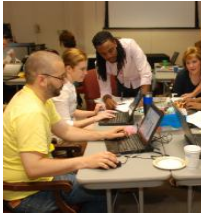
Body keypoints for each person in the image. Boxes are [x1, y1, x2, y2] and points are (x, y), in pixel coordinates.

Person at [3, 51, 128, 213]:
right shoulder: (31, 112)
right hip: (27, 193)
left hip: (36, 181)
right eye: (60, 78)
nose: (64, 82)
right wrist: (85, 161)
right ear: (42, 79)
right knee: (103, 188)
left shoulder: (37, 98)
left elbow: (66, 131)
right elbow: (34, 168)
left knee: (97, 174)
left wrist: (104, 134)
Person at [52, 48, 116, 128]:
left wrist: (94, 113)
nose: (85, 73)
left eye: (85, 69)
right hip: (62, 137)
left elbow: (72, 111)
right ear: (69, 69)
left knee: (106, 128)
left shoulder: (69, 85)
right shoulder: (63, 91)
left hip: (71, 130)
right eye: (82, 69)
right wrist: (95, 118)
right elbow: (66, 125)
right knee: (104, 130)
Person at [92, 31, 152, 109]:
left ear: (115, 43)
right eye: (103, 54)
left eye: (110, 50)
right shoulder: (100, 63)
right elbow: (104, 88)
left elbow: (145, 73)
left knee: (145, 109)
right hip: (123, 85)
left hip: (142, 84)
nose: (108, 56)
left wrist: (143, 97)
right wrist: (107, 99)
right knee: (125, 110)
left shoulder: (130, 45)